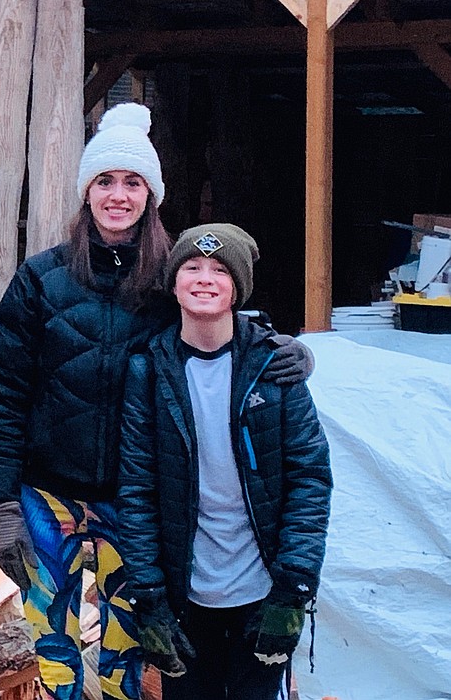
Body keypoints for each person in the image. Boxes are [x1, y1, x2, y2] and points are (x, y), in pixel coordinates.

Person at [0, 103, 313, 700]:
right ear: (87, 193)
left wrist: (290, 354)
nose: (118, 195)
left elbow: (222, 318)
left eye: (132, 183)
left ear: (150, 196)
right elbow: (3, 393)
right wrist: (1, 500)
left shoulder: (167, 280)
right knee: (52, 644)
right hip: (45, 492)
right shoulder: (40, 280)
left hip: (132, 504)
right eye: (105, 181)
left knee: (126, 647)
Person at [116, 224, 332, 700]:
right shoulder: (149, 371)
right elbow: (136, 490)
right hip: (185, 595)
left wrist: (294, 588)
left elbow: (310, 478)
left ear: (238, 287)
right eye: (191, 267)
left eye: (219, 269)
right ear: (173, 284)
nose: (204, 278)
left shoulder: (274, 369)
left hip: (261, 588)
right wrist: (148, 597)